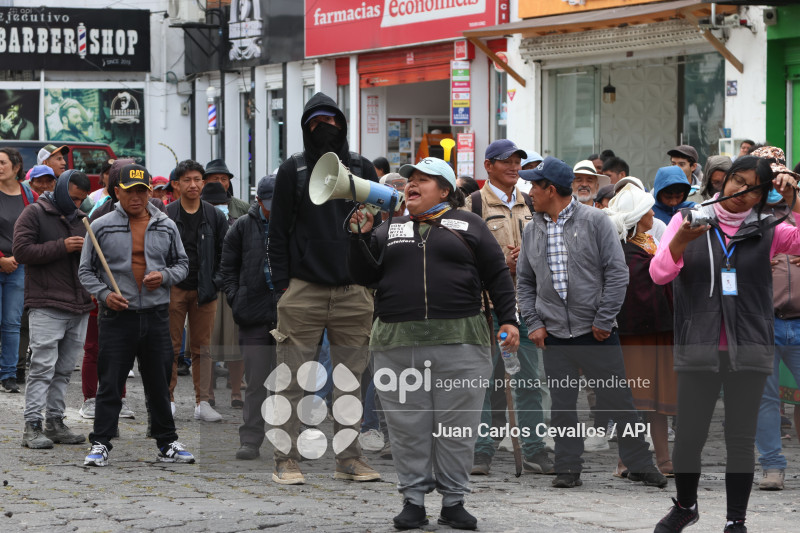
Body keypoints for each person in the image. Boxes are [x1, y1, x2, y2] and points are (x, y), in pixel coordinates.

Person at [349, 156, 519, 530]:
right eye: (410, 179)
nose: (412, 184)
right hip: (396, 344)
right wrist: (359, 237)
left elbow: (497, 276)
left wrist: (509, 319)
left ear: (444, 190)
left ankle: (454, 501)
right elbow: (364, 275)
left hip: (462, 342)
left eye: (424, 180)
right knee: (408, 427)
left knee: (457, 427)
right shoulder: (388, 226)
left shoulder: (469, 224)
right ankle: (413, 501)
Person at [650, 155, 800, 533]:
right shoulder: (690, 218)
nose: (742, 192)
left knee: (739, 438)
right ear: (724, 180)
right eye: (738, 181)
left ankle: (736, 520)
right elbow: (659, 274)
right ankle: (685, 506)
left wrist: (795, 196)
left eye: (754, 188)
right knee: (688, 437)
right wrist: (681, 240)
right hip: (698, 344)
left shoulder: (770, 229)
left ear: (764, 195)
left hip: (749, 346)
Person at [516, 156, 666, 490]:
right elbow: (524, 283)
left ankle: (640, 464)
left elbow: (617, 272)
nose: (529, 192)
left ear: (550, 189)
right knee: (563, 406)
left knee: (619, 401)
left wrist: (603, 319)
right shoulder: (532, 229)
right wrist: (534, 322)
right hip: (554, 334)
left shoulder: (595, 220)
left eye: (534, 186)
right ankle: (568, 468)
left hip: (597, 333)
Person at [267, 91, 380, 485]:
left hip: (353, 292)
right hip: (304, 289)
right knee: (291, 379)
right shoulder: (293, 170)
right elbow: (276, 234)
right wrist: (285, 288)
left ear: (342, 124)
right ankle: (285, 459)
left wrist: (369, 283)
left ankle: (349, 459)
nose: (323, 129)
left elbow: (375, 228)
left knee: (350, 381)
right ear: (304, 127)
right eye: (315, 123)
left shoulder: (363, 167)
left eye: (330, 121)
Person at [78, 163, 193, 467]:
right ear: (118, 192)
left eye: (142, 191)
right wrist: (105, 294)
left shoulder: (166, 225)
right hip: (117, 316)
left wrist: (165, 276)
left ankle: (166, 442)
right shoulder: (100, 225)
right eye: (130, 191)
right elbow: (86, 271)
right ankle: (101, 443)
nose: (137, 197)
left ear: (149, 192)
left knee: (159, 382)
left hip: (156, 313)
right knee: (111, 382)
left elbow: (183, 265)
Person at [464, 139, 553, 477]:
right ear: (488, 166)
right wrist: (500, 264)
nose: (514, 167)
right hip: (484, 308)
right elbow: (460, 258)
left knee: (530, 380)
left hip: (526, 308)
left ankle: (534, 449)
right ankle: (481, 450)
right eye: (506, 161)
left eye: (518, 161)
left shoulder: (533, 202)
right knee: (483, 383)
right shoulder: (471, 204)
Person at [14, 170, 93, 448]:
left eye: (82, 200)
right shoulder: (34, 212)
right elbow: (21, 251)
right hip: (46, 302)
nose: (77, 205)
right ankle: (32, 426)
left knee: (63, 370)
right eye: (73, 198)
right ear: (60, 191)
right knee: (42, 368)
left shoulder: (83, 219)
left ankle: (55, 422)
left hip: (79, 304)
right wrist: (62, 246)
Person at [604, 183, 677, 477]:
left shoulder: (649, 243)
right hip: (635, 335)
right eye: (646, 209)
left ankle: (663, 458)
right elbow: (636, 291)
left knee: (658, 400)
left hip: (659, 332)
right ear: (636, 216)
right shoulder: (625, 250)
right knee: (635, 399)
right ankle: (627, 460)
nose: (651, 213)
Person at [752, 146, 800, 491]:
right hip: (762, 322)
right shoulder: (746, 215)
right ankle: (772, 465)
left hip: (798, 318)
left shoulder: (794, 210)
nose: (775, 182)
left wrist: (794, 198)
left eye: (779, 174)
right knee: (765, 399)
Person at [166, 160, 228, 422]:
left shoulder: (214, 216)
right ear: (176, 184)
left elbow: (226, 254)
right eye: (187, 180)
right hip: (173, 289)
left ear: (204, 183)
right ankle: (166, 399)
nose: (193, 184)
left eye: (197, 179)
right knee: (169, 347)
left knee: (204, 348)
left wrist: (216, 281)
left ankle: (203, 402)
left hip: (205, 290)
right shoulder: (166, 215)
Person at [221, 175, 278, 460]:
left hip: (288, 315)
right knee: (256, 381)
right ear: (258, 201)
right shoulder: (241, 227)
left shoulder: (294, 225)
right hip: (253, 313)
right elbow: (227, 268)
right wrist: (236, 297)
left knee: (291, 382)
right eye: (269, 203)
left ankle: (288, 439)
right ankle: (251, 439)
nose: (274, 208)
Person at [200, 181, 243, 409]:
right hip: (207, 290)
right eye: (213, 203)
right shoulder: (199, 222)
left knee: (235, 345)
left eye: (222, 203)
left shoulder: (238, 223)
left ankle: (236, 392)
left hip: (232, 290)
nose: (218, 207)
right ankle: (207, 394)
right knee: (208, 345)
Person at [0, 147, 36, 393]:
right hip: (2, 261)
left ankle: (9, 375)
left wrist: (20, 257)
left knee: (12, 323)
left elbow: (34, 228)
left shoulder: (29, 195)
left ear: (16, 167)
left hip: (19, 267)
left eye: (2, 162)